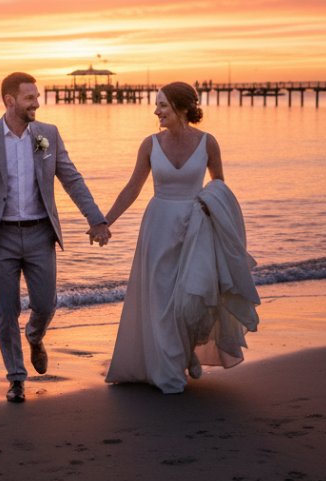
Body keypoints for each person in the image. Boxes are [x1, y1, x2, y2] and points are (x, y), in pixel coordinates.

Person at [0, 72, 111, 403]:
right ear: (10, 101)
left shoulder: (47, 134)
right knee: (5, 311)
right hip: (0, 237)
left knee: (46, 303)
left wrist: (96, 218)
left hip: (40, 234)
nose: (37, 102)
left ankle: (35, 335)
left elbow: (71, 178)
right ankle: (16, 377)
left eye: (37, 96)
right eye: (30, 98)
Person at [101, 82, 259, 393]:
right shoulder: (149, 144)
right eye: (156, 105)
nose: (156, 111)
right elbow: (132, 188)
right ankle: (168, 370)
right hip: (158, 226)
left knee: (189, 300)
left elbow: (219, 186)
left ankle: (185, 354)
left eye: (162, 105)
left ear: (182, 108)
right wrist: (105, 222)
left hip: (196, 227)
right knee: (160, 299)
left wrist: (216, 220)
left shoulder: (208, 143)